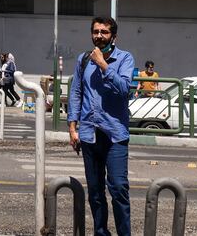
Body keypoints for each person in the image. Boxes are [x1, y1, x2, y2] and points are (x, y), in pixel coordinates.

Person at [68, 16, 135, 236]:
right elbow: (76, 92)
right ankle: (101, 232)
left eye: (104, 32)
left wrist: (104, 65)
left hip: (115, 134)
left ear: (113, 36)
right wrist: (72, 127)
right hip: (89, 134)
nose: (99, 36)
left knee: (118, 188)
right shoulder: (83, 60)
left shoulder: (125, 59)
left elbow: (125, 89)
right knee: (95, 192)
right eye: (96, 32)